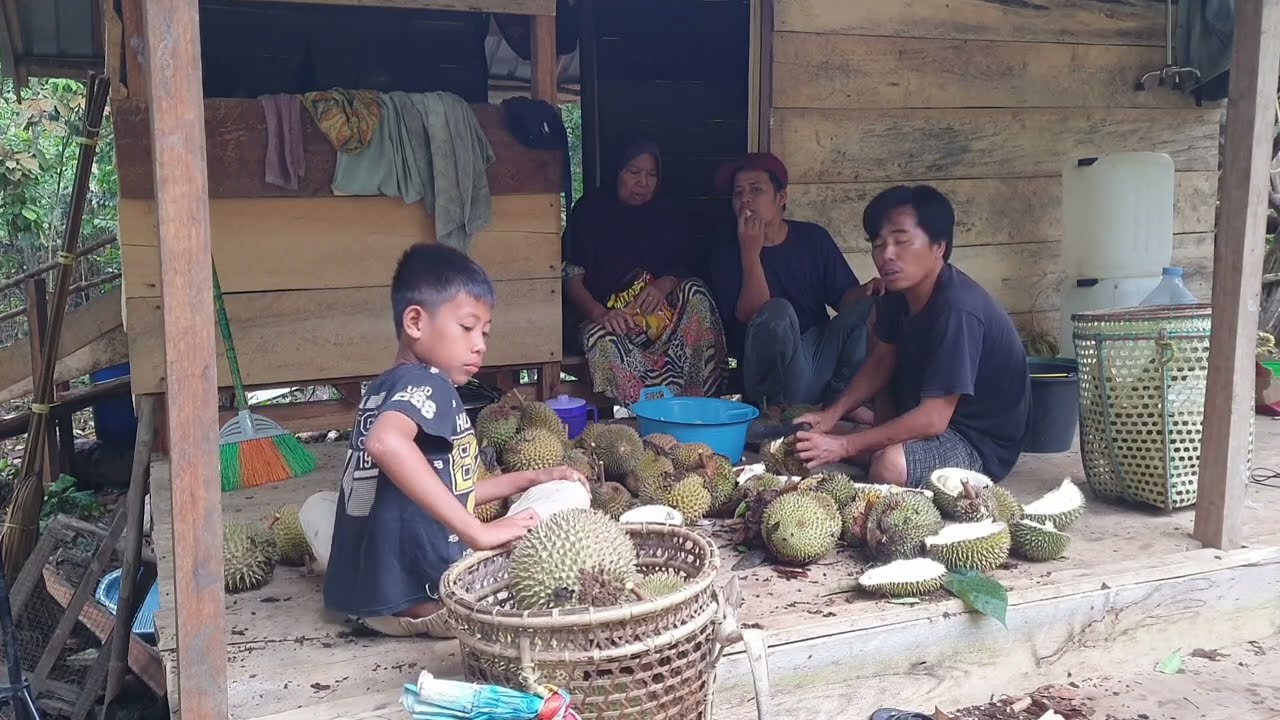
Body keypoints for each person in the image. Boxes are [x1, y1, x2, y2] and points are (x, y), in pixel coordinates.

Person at [323, 243, 587, 638]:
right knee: (570, 495)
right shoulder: (430, 383)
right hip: (442, 602)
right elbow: (386, 444)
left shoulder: (381, 388)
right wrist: (475, 532)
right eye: (467, 327)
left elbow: (450, 491)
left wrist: (533, 477)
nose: (480, 343)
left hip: (366, 604)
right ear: (415, 322)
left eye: (484, 332)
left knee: (321, 507)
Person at [794, 185, 1031, 487]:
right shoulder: (897, 294)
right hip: (925, 419)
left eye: (901, 241)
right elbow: (882, 360)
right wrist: (831, 414)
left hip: (976, 443)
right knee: (806, 434)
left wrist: (845, 446)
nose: (886, 254)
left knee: (888, 468)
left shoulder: (958, 309)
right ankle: (871, 442)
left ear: (938, 246)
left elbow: (933, 419)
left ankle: (873, 448)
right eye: (878, 244)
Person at [706, 152, 882, 410]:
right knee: (777, 311)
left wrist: (868, 291)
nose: (744, 199)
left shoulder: (813, 238)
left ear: (781, 198)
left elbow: (845, 299)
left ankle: (841, 403)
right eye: (738, 193)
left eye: (756, 190)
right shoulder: (725, 250)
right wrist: (750, 253)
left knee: (871, 306)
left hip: (817, 354)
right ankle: (773, 412)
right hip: (767, 373)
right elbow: (752, 314)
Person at [562, 135, 729, 404]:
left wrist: (665, 284)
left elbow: (687, 263)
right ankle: (648, 410)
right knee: (597, 339)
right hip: (615, 323)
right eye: (634, 172)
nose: (643, 183)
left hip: (664, 323)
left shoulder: (668, 212)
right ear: (617, 171)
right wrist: (601, 313)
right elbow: (571, 280)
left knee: (696, 291)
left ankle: (701, 402)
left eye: (651, 174)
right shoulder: (590, 212)